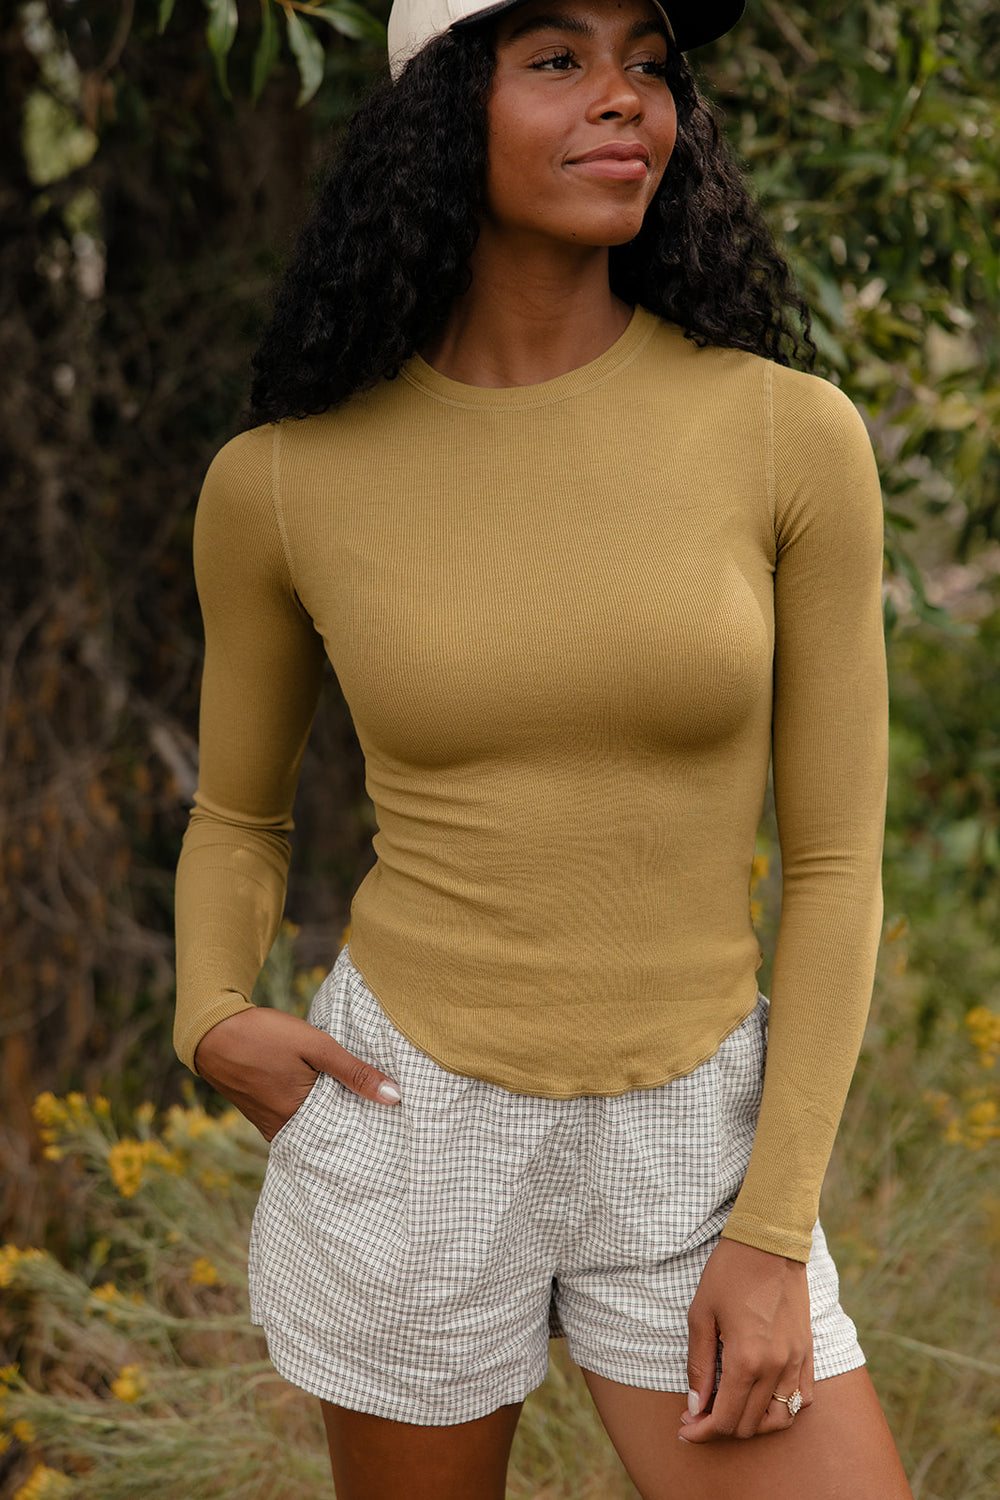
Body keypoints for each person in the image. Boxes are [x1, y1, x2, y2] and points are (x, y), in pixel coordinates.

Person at [173, 0, 915, 1495]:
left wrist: (772, 1231)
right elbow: (239, 817)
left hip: (697, 1131)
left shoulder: (790, 434)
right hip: (409, 1117)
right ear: (445, 109)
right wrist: (211, 1015)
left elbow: (837, 863)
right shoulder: (283, 482)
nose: (625, 96)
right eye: (560, 60)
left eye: (649, 61)